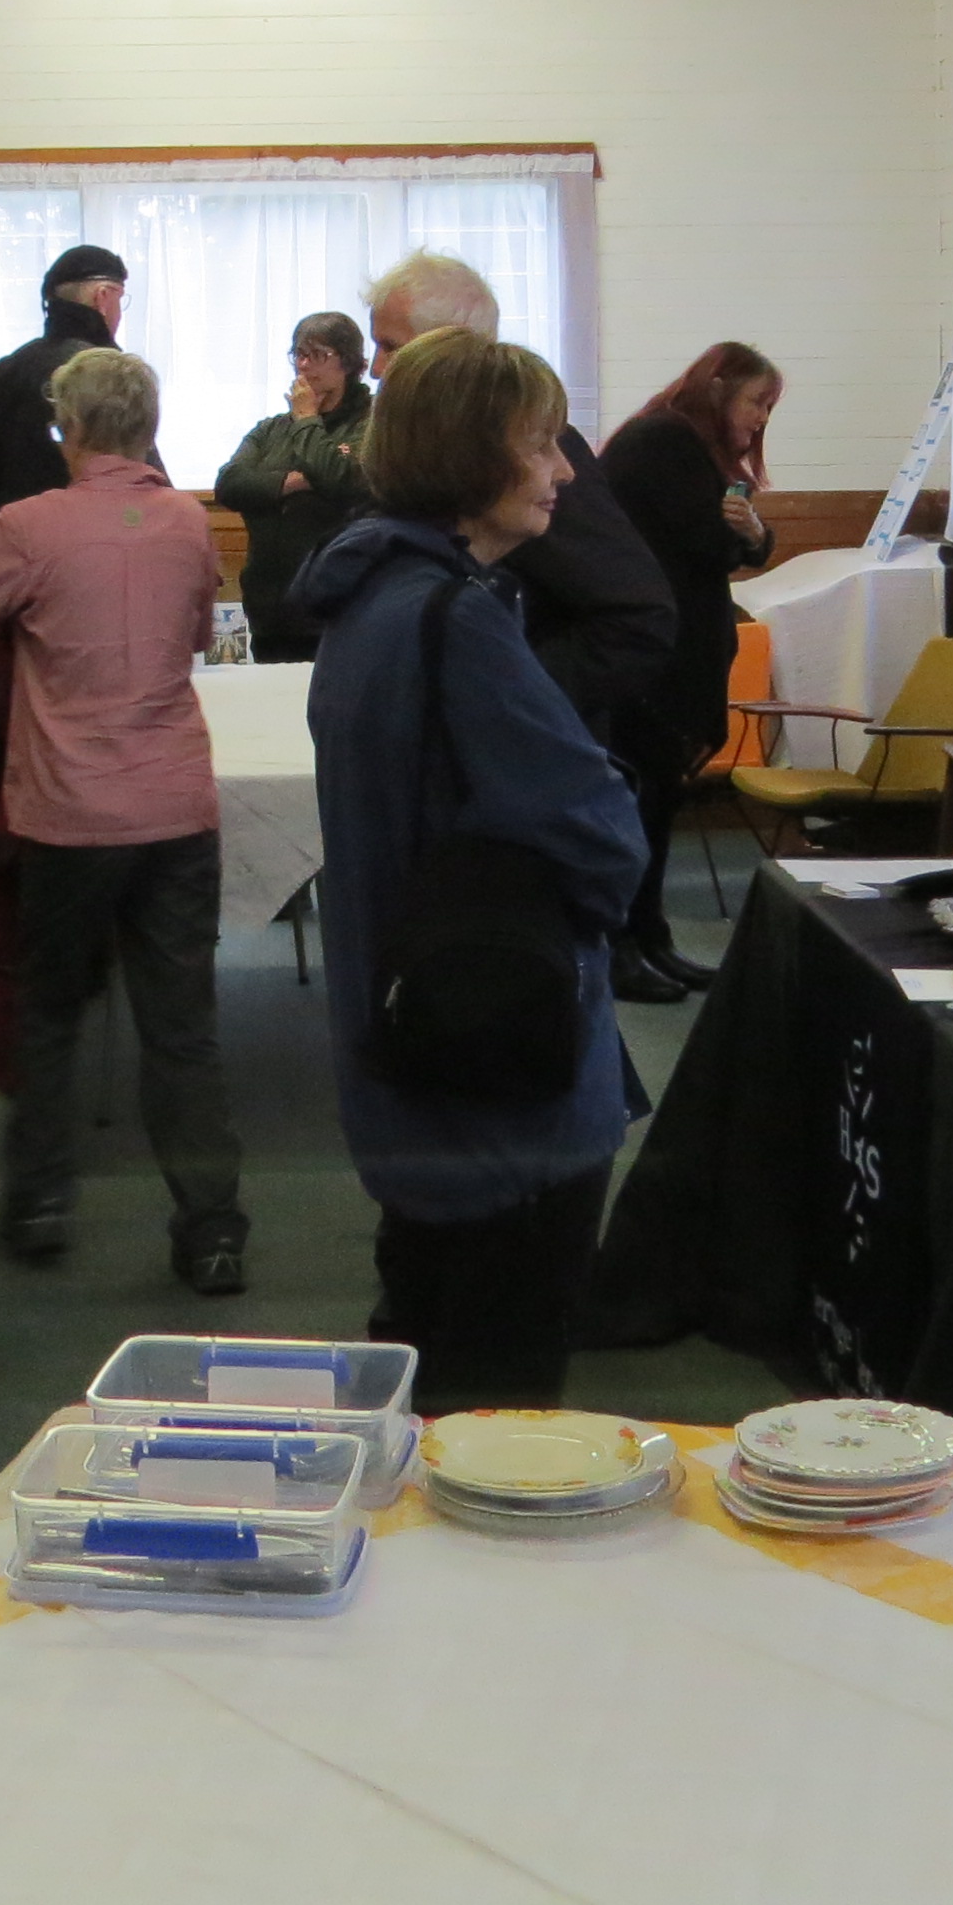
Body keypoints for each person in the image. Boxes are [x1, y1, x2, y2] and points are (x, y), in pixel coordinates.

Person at [292, 325, 649, 1410]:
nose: (563, 469)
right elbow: (595, 833)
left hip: (411, 1041)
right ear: (469, 455)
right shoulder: (456, 618)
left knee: (425, 1349)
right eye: (539, 445)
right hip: (502, 1071)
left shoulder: (368, 596)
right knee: (495, 1406)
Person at [0, 346, 249, 1292]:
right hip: (174, 803)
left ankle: (39, 1201)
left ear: (65, 428)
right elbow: (196, 638)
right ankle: (213, 1231)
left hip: (68, 814)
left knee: (49, 1008)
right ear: (148, 424)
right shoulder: (187, 525)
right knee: (181, 1024)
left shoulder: (26, 527)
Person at [364, 252, 680, 995]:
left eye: (391, 347)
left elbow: (639, 613)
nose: (375, 369)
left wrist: (511, 700)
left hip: (528, 798)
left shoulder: (521, 463)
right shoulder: (439, 495)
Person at [601, 343, 781, 993]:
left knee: (656, 807)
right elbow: (712, 543)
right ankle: (624, 946)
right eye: (756, 401)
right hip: (655, 663)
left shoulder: (682, 444)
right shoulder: (663, 443)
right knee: (638, 812)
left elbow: (744, 541)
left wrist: (750, 533)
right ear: (718, 388)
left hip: (675, 657)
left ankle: (651, 938)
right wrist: (744, 533)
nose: (762, 418)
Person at [0, 246, 128, 571]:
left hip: (4, 566)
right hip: (84, 565)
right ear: (103, 297)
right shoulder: (107, 375)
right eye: (121, 301)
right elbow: (135, 472)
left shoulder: (6, 371)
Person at [214, 310, 375, 660]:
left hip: (341, 612)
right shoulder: (272, 430)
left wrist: (306, 419)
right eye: (298, 354)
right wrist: (291, 483)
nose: (304, 366)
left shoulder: (373, 423)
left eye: (318, 355)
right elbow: (230, 484)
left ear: (349, 363)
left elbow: (338, 475)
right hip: (271, 612)